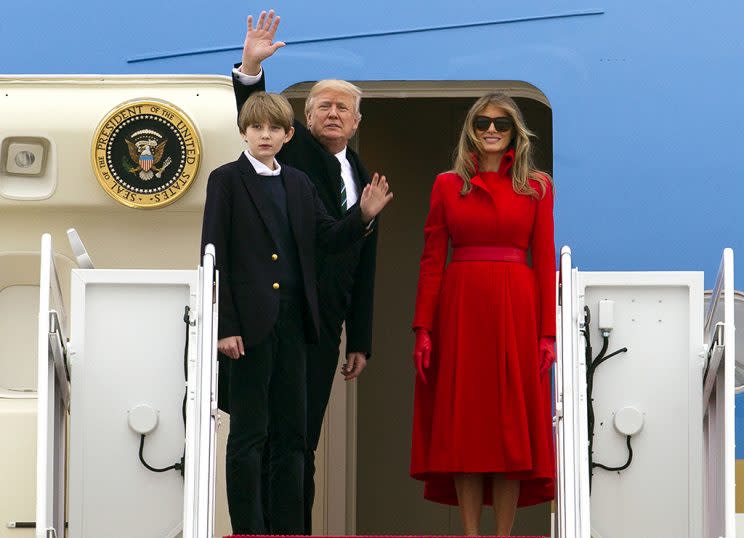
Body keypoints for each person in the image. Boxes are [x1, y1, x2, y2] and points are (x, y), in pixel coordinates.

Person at [201, 91, 392, 534]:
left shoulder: (299, 184)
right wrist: (224, 326)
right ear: (244, 132)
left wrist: (362, 216)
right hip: (247, 329)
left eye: (273, 129)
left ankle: (289, 529)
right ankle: (249, 529)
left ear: (289, 136)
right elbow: (213, 256)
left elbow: (327, 237)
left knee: (293, 436)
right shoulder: (225, 180)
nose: (264, 136)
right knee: (249, 436)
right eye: (256, 128)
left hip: (296, 325)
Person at [231, 10, 383, 533]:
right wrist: (251, 66)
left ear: (357, 120)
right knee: (270, 433)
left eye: (344, 107)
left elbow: (365, 264)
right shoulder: (291, 155)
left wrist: (358, 337)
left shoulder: (362, 174)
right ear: (306, 118)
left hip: (325, 323)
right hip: (281, 314)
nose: (334, 113)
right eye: (323, 105)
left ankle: (294, 527)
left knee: (302, 437)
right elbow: (258, 117)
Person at [410, 92, 556, 536]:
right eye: (482, 123)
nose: (491, 130)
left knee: (511, 426)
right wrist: (424, 327)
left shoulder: (537, 186)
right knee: (464, 424)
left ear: (515, 132)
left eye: (501, 124)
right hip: (461, 309)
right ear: (470, 131)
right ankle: (470, 533)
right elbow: (432, 258)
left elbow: (545, 259)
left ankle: (503, 534)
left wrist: (547, 333)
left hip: (516, 307)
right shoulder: (446, 185)